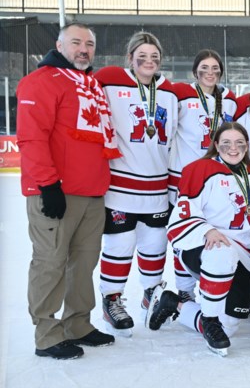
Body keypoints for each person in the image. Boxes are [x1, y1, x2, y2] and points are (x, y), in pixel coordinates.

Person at [18, 22, 119, 359]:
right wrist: (47, 185)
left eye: (89, 44)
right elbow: (32, 137)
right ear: (59, 45)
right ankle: (47, 333)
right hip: (57, 191)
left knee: (83, 263)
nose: (84, 49)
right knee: (50, 262)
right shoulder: (41, 82)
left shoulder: (90, 84)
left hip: (91, 193)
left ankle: (78, 323)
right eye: (76, 42)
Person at [94, 32, 179, 334]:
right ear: (129, 58)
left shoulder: (170, 92)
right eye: (141, 56)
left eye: (154, 57)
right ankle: (111, 298)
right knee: (120, 245)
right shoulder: (110, 81)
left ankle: (151, 293)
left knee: (155, 246)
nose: (148, 62)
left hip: (157, 188)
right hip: (120, 188)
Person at [157, 122, 250, 356]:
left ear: (246, 146)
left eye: (239, 143)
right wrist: (206, 230)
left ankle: (174, 304)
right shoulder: (201, 168)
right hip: (206, 247)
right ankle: (210, 320)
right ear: (216, 145)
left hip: (245, 253)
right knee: (222, 251)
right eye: (226, 143)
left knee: (230, 326)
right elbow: (184, 210)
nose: (233, 148)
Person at [168, 49, 238, 304]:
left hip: (216, 177)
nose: (210, 73)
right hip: (184, 175)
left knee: (213, 232)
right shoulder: (181, 94)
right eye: (204, 68)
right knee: (185, 232)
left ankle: (213, 283)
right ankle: (184, 289)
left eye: (215, 69)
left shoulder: (229, 99)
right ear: (195, 71)